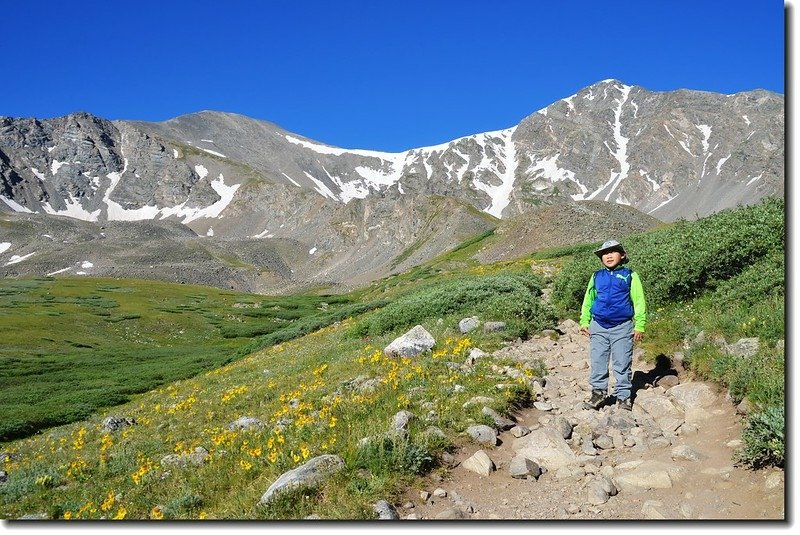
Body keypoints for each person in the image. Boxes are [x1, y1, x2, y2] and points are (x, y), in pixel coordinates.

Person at [579, 240, 646, 410]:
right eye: (604, 253)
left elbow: (638, 301)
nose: (608, 256)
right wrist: (584, 321)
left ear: (622, 255)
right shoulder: (596, 276)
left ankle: (623, 397)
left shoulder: (630, 275)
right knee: (598, 360)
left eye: (613, 252)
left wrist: (640, 325)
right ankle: (598, 394)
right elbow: (589, 299)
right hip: (598, 325)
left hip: (623, 327)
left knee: (622, 362)